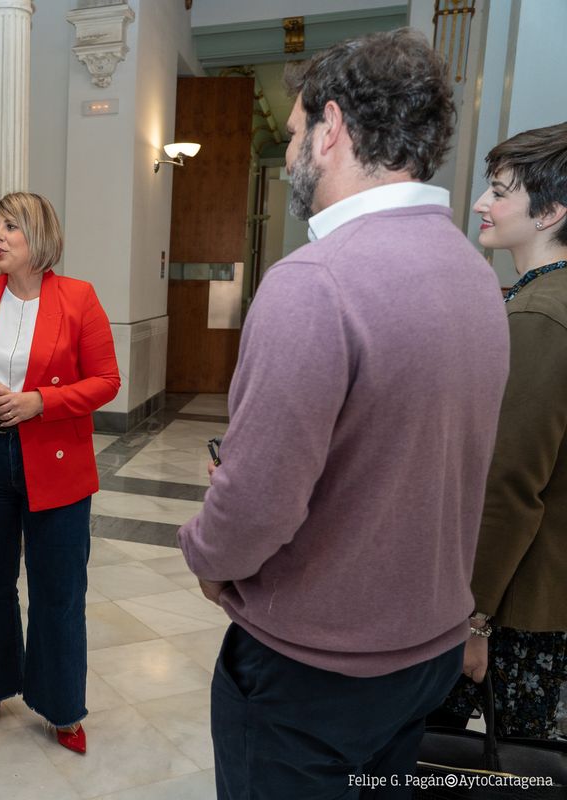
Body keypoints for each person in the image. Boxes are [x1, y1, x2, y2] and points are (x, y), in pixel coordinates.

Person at [176, 29, 511, 798]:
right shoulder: (474, 273)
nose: (291, 150)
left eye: (293, 133)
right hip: (424, 649)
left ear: (330, 129)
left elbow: (258, 505)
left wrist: (206, 555)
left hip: (318, 667)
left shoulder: (314, 281)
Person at [0, 191, 120, 755]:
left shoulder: (79, 298)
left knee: (58, 591)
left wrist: (42, 402)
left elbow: (107, 380)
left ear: (38, 237)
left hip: (55, 464)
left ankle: (62, 707)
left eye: (10, 226)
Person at [434, 122, 567, 738]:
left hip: (523, 602)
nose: (482, 204)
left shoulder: (540, 314)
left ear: (552, 212)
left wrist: (474, 618)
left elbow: (510, 486)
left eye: (499, 191)